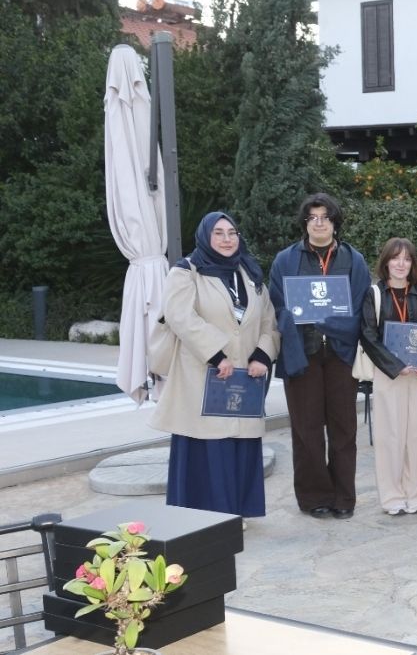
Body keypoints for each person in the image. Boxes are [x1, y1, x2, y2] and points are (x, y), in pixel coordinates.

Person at [151, 212, 278, 519]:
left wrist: (263, 355)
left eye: (232, 233)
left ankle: (236, 512)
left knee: (239, 445)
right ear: (205, 237)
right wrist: (216, 354)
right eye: (218, 233)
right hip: (202, 374)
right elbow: (180, 316)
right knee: (209, 448)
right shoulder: (186, 272)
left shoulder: (250, 273)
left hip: (243, 377)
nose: (226, 239)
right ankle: (207, 517)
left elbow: (269, 321)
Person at [268, 193, 372, 520]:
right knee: (306, 430)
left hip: (341, 354)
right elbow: (276, 305)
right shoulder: (286, 260)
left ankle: (343, 497)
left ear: (335, 223)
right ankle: (314, 497)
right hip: (302, 354)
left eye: (325, 217)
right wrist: (297, 315)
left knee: (344, 429)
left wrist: (333, 324)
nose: (319, 223)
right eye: (312, 217)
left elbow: (362, 308)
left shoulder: (353, 260)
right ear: (305, 223)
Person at [359, 238, 417, 515]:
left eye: (406, 258)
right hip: (389, 374)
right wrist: (396, 366)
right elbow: (368, 335)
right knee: (390, 436)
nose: (401, 264)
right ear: (386, 262)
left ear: (413, 264)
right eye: (395, 258)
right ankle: (392, 497)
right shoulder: (374, 294)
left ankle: (416, 494)